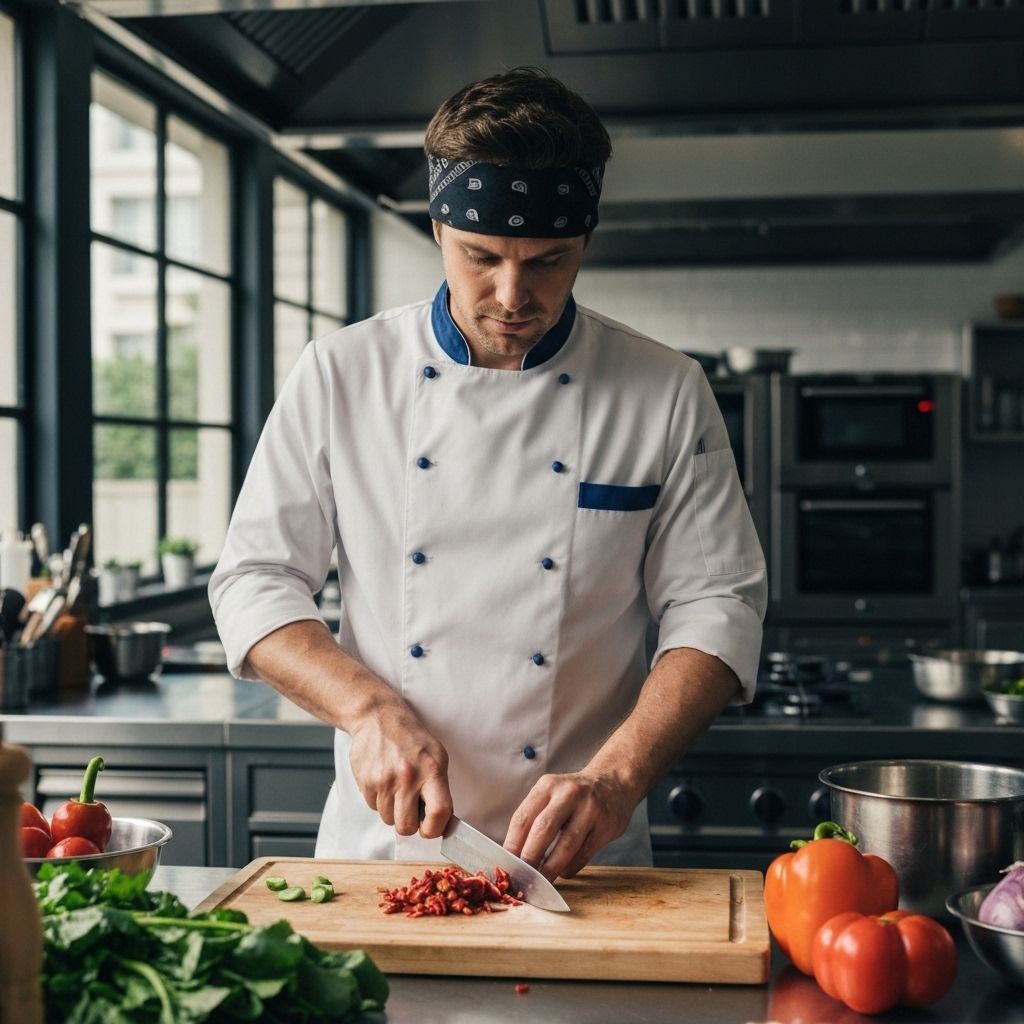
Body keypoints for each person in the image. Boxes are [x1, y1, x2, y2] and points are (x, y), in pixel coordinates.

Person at [210, 66, 766, 881]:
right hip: (383, 853)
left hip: (586, 858)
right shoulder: (341, 372)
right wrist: (365, 712)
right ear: (438, 229)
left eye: (547, 261)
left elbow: (718, 604)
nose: (512, 294)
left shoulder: (665, 390)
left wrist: (617, 780)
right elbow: (254, 581)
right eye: (481, 257)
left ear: (586, 240)